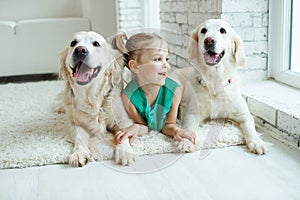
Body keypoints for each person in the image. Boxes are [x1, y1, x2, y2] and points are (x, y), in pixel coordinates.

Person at [111, 32, 196, 146]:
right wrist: (136, 127)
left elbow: (169, 125)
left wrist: (177, 131)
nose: (166, 65)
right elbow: (145, 127)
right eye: (157, 59)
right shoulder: (128, 96)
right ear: (135, 66)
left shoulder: (174, 91)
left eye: (167, 59)